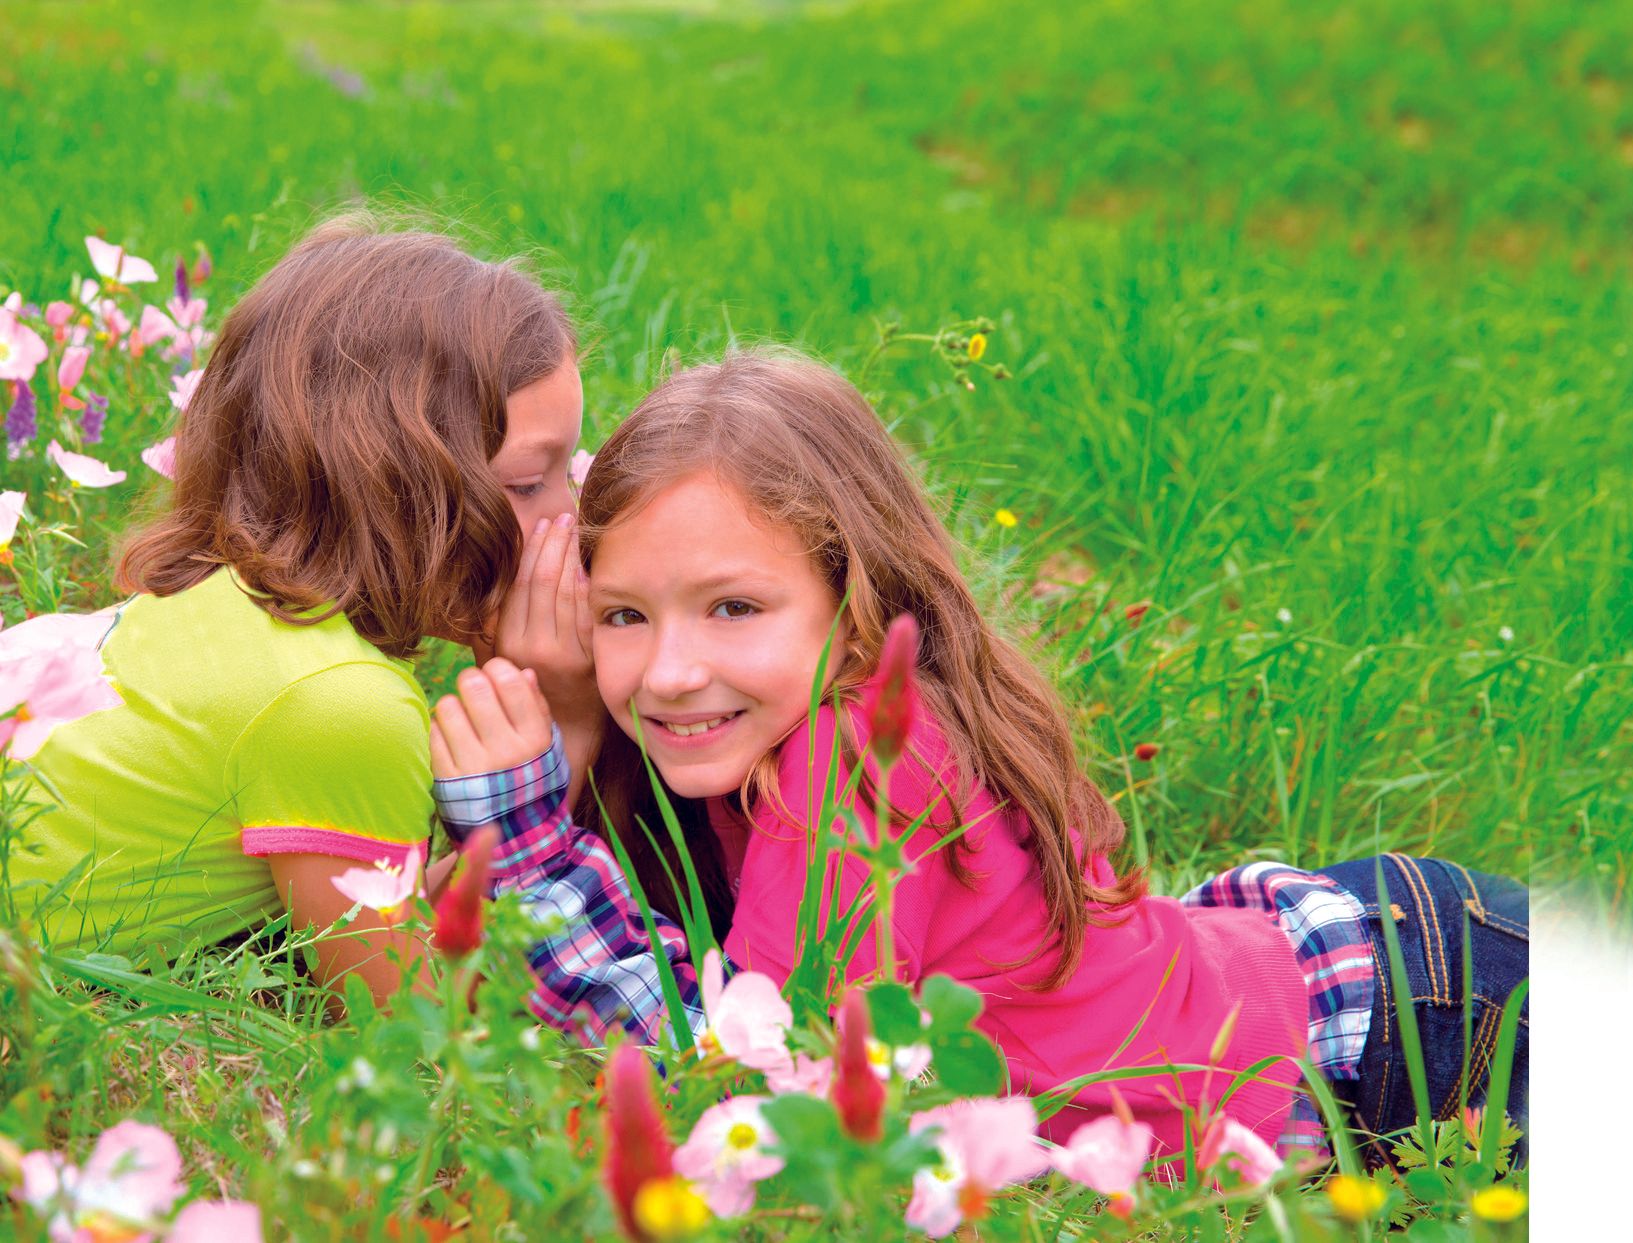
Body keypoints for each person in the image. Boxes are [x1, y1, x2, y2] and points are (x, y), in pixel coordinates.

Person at [429, 350, 1528, 1163]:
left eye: (732, 606)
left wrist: (522, 849)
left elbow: (763, 1092)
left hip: (1412, 1023)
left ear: (856, 606)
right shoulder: (773, 738)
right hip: (1358, 962)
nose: (667, 672)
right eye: (622, 616)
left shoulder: (853, 766)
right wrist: (572, 714)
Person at [6, 213, 591, 1005]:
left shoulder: (230, 599)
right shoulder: (338, 705)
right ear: (398, 484)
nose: (570, 517)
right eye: (530, 483)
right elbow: (409, 1019)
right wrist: (569, 724)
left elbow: (400, 910)